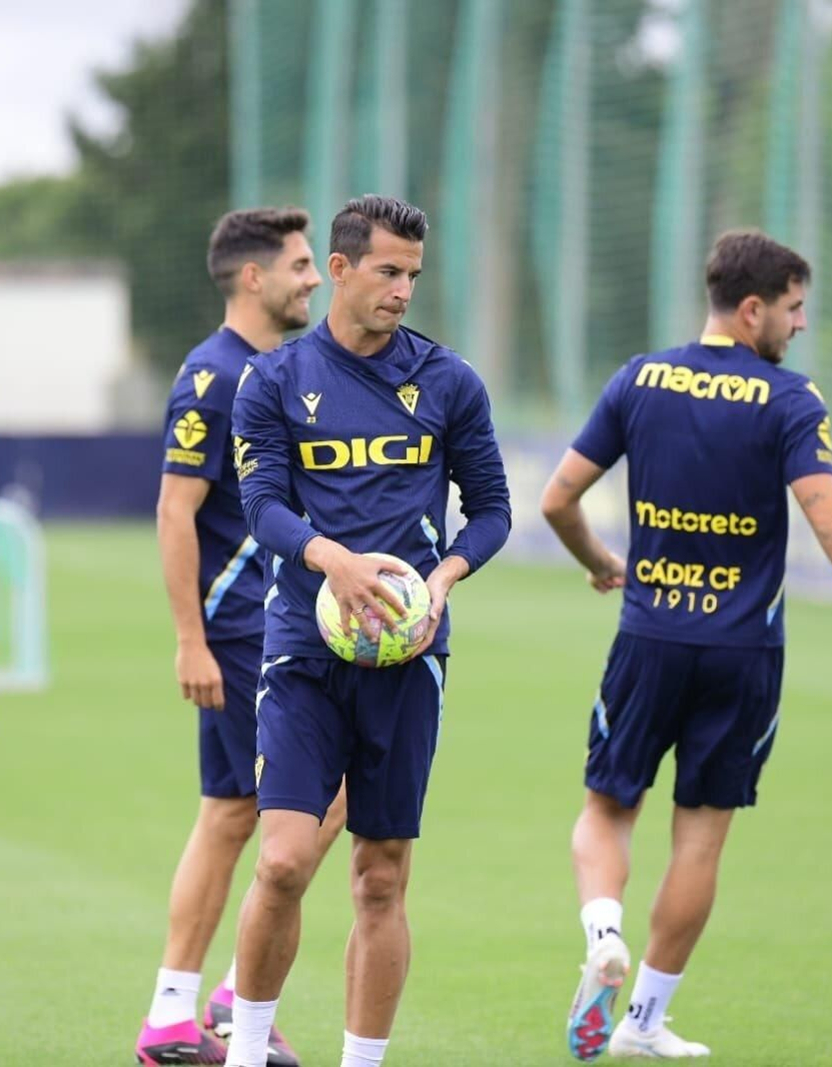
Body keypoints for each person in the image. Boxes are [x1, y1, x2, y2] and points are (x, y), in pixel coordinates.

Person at [540, 229, 832, 1060]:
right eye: (795, 308)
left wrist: (600, 563)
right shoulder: (790, 399)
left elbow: (558, 500)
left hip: (649, 636)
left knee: (607, 807)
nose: (800, 326)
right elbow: (830, 517)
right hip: (743, 654)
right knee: (701, 835)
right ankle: (644, 1023)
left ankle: (603, 932)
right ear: (754, 307)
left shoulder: (638, 378)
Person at [221, 194, 512, 1067]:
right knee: (279, 862)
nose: (402, 290)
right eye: (388, 271)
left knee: (380, 875)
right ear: (341, 268)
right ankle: (244, 1052)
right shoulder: (272, 380)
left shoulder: (450, 382)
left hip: (409, 655)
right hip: (304, 650)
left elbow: (491, 510)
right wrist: (333, 561)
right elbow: (262, 503)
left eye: (414, 275)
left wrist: (445, 578)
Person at [136, 207, 345, 1067]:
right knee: (328, 793)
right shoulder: (212, 376)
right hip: (239, 630)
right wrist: (190, 638)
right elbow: (175, 510)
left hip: (281, 623)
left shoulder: (288, 367)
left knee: (231, 814)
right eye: (300, 265)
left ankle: (184, 1015)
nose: (313, 279)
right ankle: (211, 1002)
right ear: (253, 277)